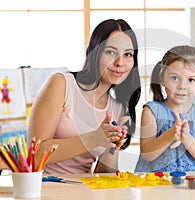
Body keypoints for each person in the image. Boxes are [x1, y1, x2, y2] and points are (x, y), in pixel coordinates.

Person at [27, 19, 141, 174]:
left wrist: (112, 148)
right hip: (44, 188)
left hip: (83, 191)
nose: (120, 62)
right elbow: (35, 153)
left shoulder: (117, 109)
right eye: (110, 52)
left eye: (128, 54)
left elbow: (102, 175)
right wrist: (94, 138)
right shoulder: (62, 84)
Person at [135, 45, 195, 172]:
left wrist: (187, 138)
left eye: (191, 80)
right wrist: (170, 134)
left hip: (193, 183)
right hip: (156, 184)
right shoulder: (152, 111)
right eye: (174, 78)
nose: (182, 86)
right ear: (162, 79)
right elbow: (147, 154)